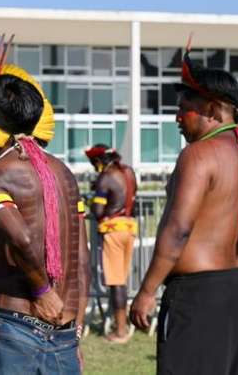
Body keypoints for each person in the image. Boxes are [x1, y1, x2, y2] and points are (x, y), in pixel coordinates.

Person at [129, 40, 238, 375]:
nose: (177, 116)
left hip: (200, 294)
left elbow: (178, 230)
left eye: (184, 107)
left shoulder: (197, 155)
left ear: (211, 109)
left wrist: (147, 291)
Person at [0, 36, 90, 374]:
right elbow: (81, 258)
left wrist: (43, 290)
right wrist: (74, 326)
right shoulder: (65, 173)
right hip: (63, 329)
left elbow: (21, 239)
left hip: (12, 328)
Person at [85, 144, 138, 344]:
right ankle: (121, 325)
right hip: (129, 228)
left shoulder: (105, 177)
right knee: (121, 279)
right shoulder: (128, 172)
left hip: (113, 231)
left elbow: (98, 211)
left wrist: (93, 200)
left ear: (99, 161)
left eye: (94, 163)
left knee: (116, 283)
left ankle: (121, 331)